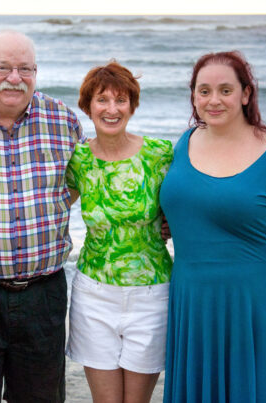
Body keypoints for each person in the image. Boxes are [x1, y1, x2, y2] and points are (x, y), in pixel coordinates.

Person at [160, 50, 266, 402]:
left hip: (259, 308)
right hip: (194, 305)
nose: (213, 100)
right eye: (203, 91)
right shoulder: (183, 145)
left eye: (225, 90)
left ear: (246, 95)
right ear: (193, 96)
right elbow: (189, 205)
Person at [0, 30, 85, 403]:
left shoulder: (63, 121)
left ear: (36, 72)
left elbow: (77, 184)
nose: (14, 77)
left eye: (25, 68)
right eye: (3, 67)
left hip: (44, 296)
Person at [65, 61, 174, 403]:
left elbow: (192, 203)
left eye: (121, 100)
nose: (112, 109)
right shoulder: (77, 159)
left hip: (152, 295)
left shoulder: (160, 155)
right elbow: (49, 208)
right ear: (87, 106)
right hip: (93, 294)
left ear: (132, 106)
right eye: (102, 100)